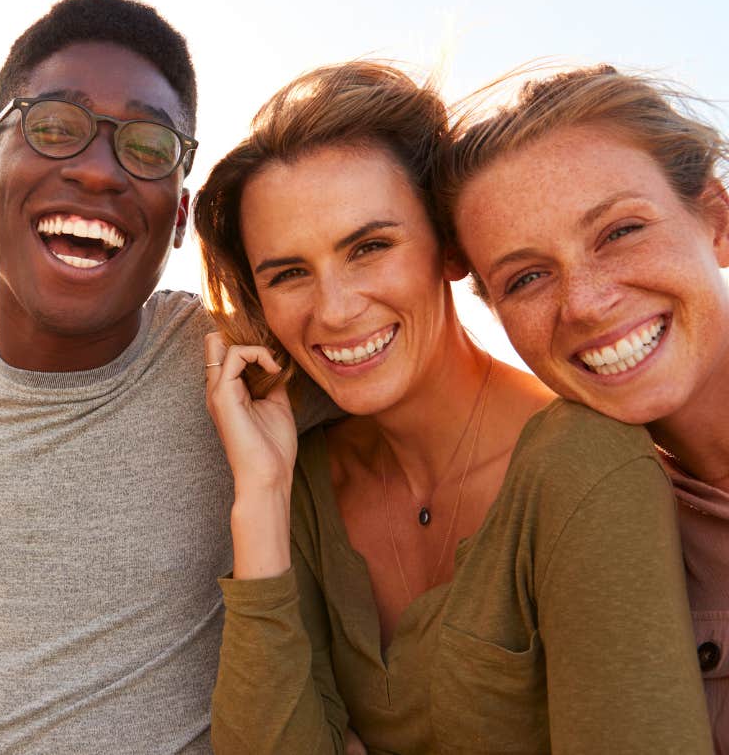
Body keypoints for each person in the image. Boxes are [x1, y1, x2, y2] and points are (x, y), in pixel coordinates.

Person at [196, 62, 711, 753]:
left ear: (449, 253)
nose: (336, 309)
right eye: (288, 273)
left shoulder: (584, 464)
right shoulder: (304, 481)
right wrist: (260, 497)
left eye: (370, 246)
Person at [0, 0, 241, 751]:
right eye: (56, 127)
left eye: (147, 145)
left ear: (178, 216)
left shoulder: (228, 365)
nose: (99, 173)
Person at [439, 64, 729, 751]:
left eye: (619, 231)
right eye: (528, 277)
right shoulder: (585, 535)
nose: (586, 302)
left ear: (715, 222)